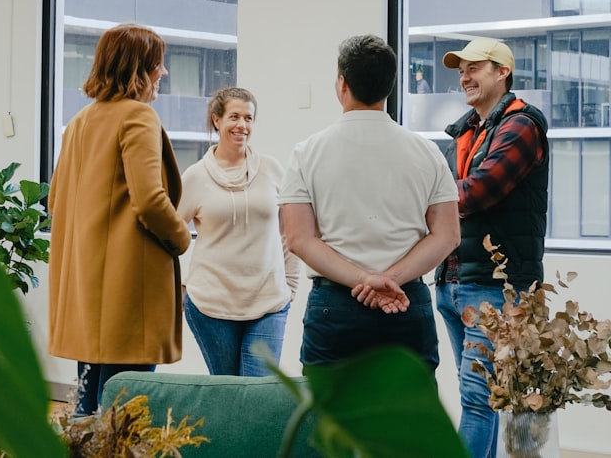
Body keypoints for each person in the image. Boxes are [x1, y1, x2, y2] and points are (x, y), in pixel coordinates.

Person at [279, 34, 460, 370]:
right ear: (389, 86)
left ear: (341, 83)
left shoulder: (306, 153)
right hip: (406, 300)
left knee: (329, 419)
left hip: (334, 306)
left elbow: (299, 239)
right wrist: (389, 279)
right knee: (407, 421)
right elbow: (447, 235)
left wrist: (365, 280)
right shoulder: (426, 152)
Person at [47, 22, 193, 417]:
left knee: (88, 416)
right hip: (128, 295)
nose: (162, 73)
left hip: (87, 295)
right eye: (157, 64)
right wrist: (183, 238)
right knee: (125, 418)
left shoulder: (79, 123)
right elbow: (149, 200)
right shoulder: (138, 117)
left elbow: (56, 202)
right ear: (138, 67)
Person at [434, 37, 550, 458]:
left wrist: (430, 205)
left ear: (503, 73)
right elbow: (447, 198)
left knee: (477, 400)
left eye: (475, 68)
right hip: (451, 280)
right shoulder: (466, 131)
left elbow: (477, 192)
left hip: (494, 286)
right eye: (460, 70)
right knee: (480, 397)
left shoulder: (521, 125)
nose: (464, 76)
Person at [177, 87, 301, 376]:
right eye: (234, 116)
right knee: (229, 395)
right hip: (211, 305)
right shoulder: (195, 176)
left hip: (269, 301)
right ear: (217, 120)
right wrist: (183, 285)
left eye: (249, 118)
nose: (242, 125)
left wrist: (290, 284)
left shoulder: (271, 169)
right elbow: (171, 235)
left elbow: (289, 231)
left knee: (257, 394)